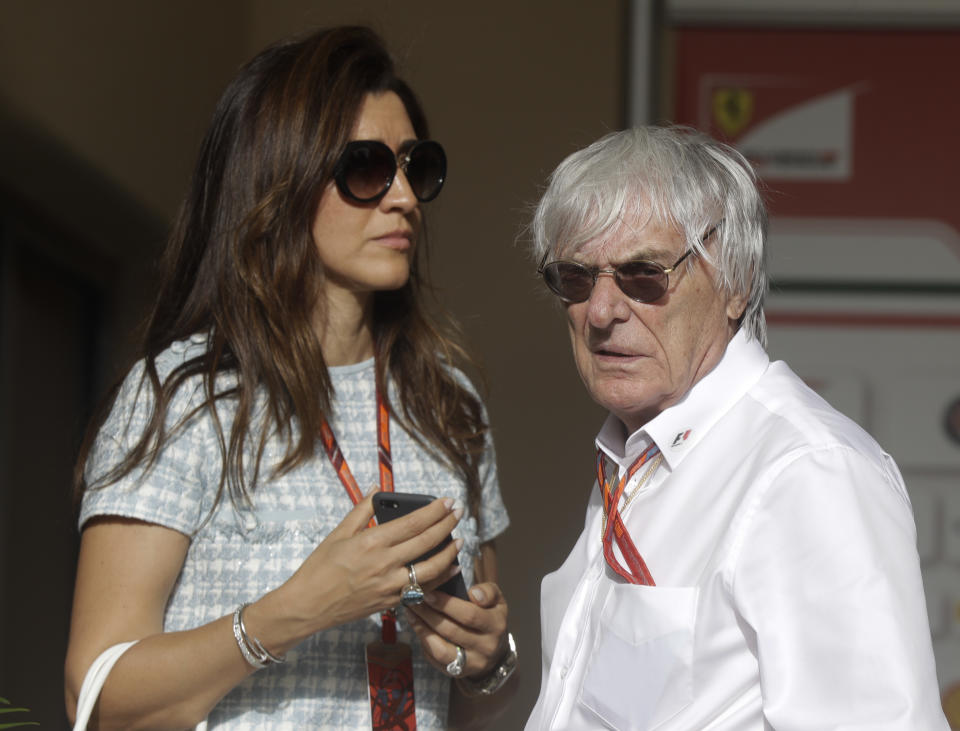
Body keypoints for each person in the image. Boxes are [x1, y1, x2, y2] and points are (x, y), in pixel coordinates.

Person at [64, 26, 516, 730]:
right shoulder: (188, 396)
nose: (403, 198)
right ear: (281, 177)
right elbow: (95, 699)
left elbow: (483, 697)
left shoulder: (448, 400)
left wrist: (487, 660)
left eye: (415, 166)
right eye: (367, 168)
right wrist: (301, 608)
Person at [524, 126, 948, 729]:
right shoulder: (638, 451)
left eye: (643, 275)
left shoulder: (807, 472)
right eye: (575, 277)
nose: (601, 312)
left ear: (736, 284)